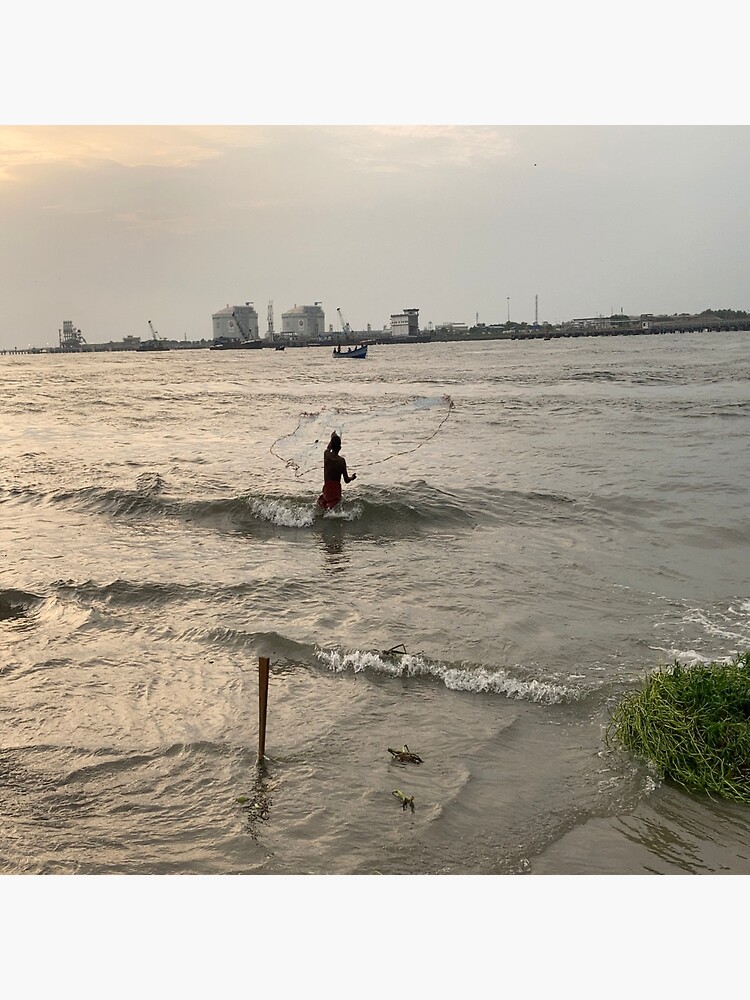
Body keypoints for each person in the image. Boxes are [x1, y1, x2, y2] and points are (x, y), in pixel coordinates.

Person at [317, 431, 356, 510]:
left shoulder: (326, 455)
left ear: (331, 445)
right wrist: (352, 477)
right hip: (336, 490)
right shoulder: (341, 461)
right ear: (340, 448)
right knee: (335, 507)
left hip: (327, 489)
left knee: (325, 507)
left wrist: (332, 437)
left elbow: (328, 448)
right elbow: (346, 480)